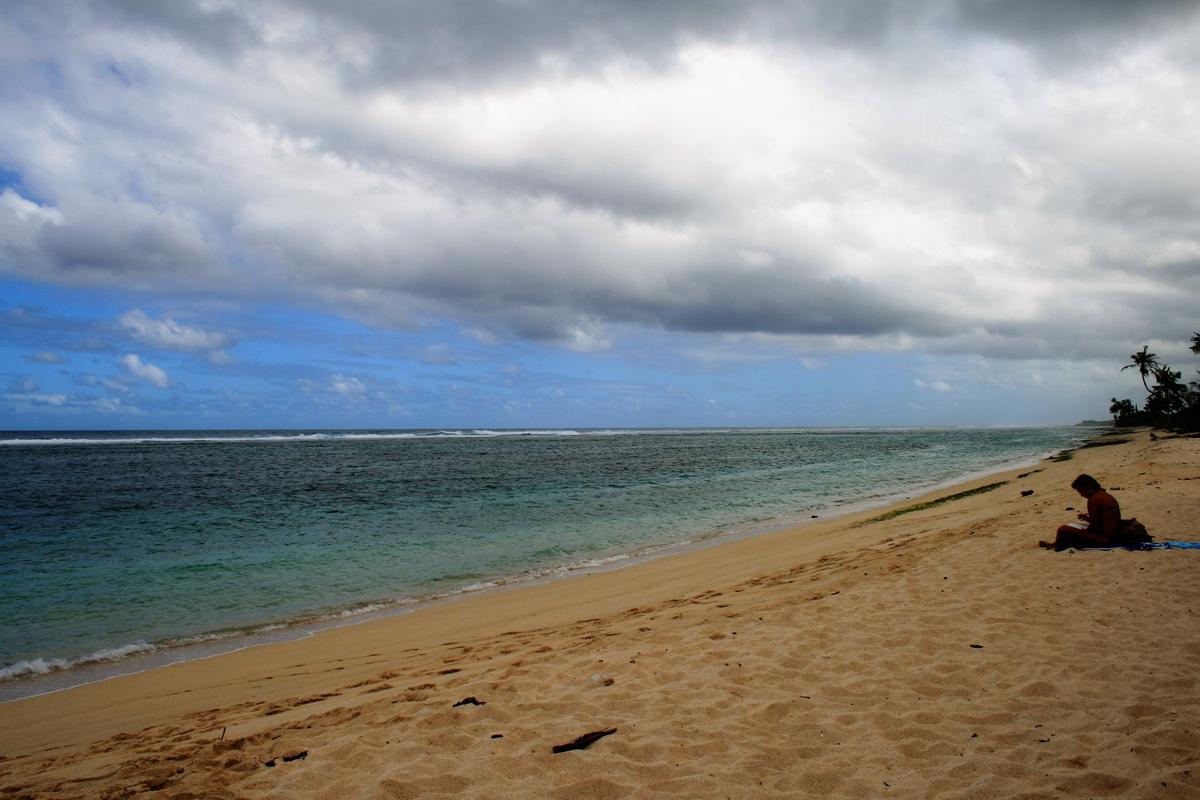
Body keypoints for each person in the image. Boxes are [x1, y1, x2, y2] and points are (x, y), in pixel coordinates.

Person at [1039, 474, 1121, 550]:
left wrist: (1083, 532)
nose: (1081, 495)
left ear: (1086, 488)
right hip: (1114, 535)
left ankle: (1055, 545)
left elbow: (1094, 528)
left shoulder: (1093, 500)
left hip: (1106, 539)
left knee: (1063, 529)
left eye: (1080, 491)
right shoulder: (1103, 495)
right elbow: (1102, 520)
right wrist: (1087, 519)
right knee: (1075, 528)